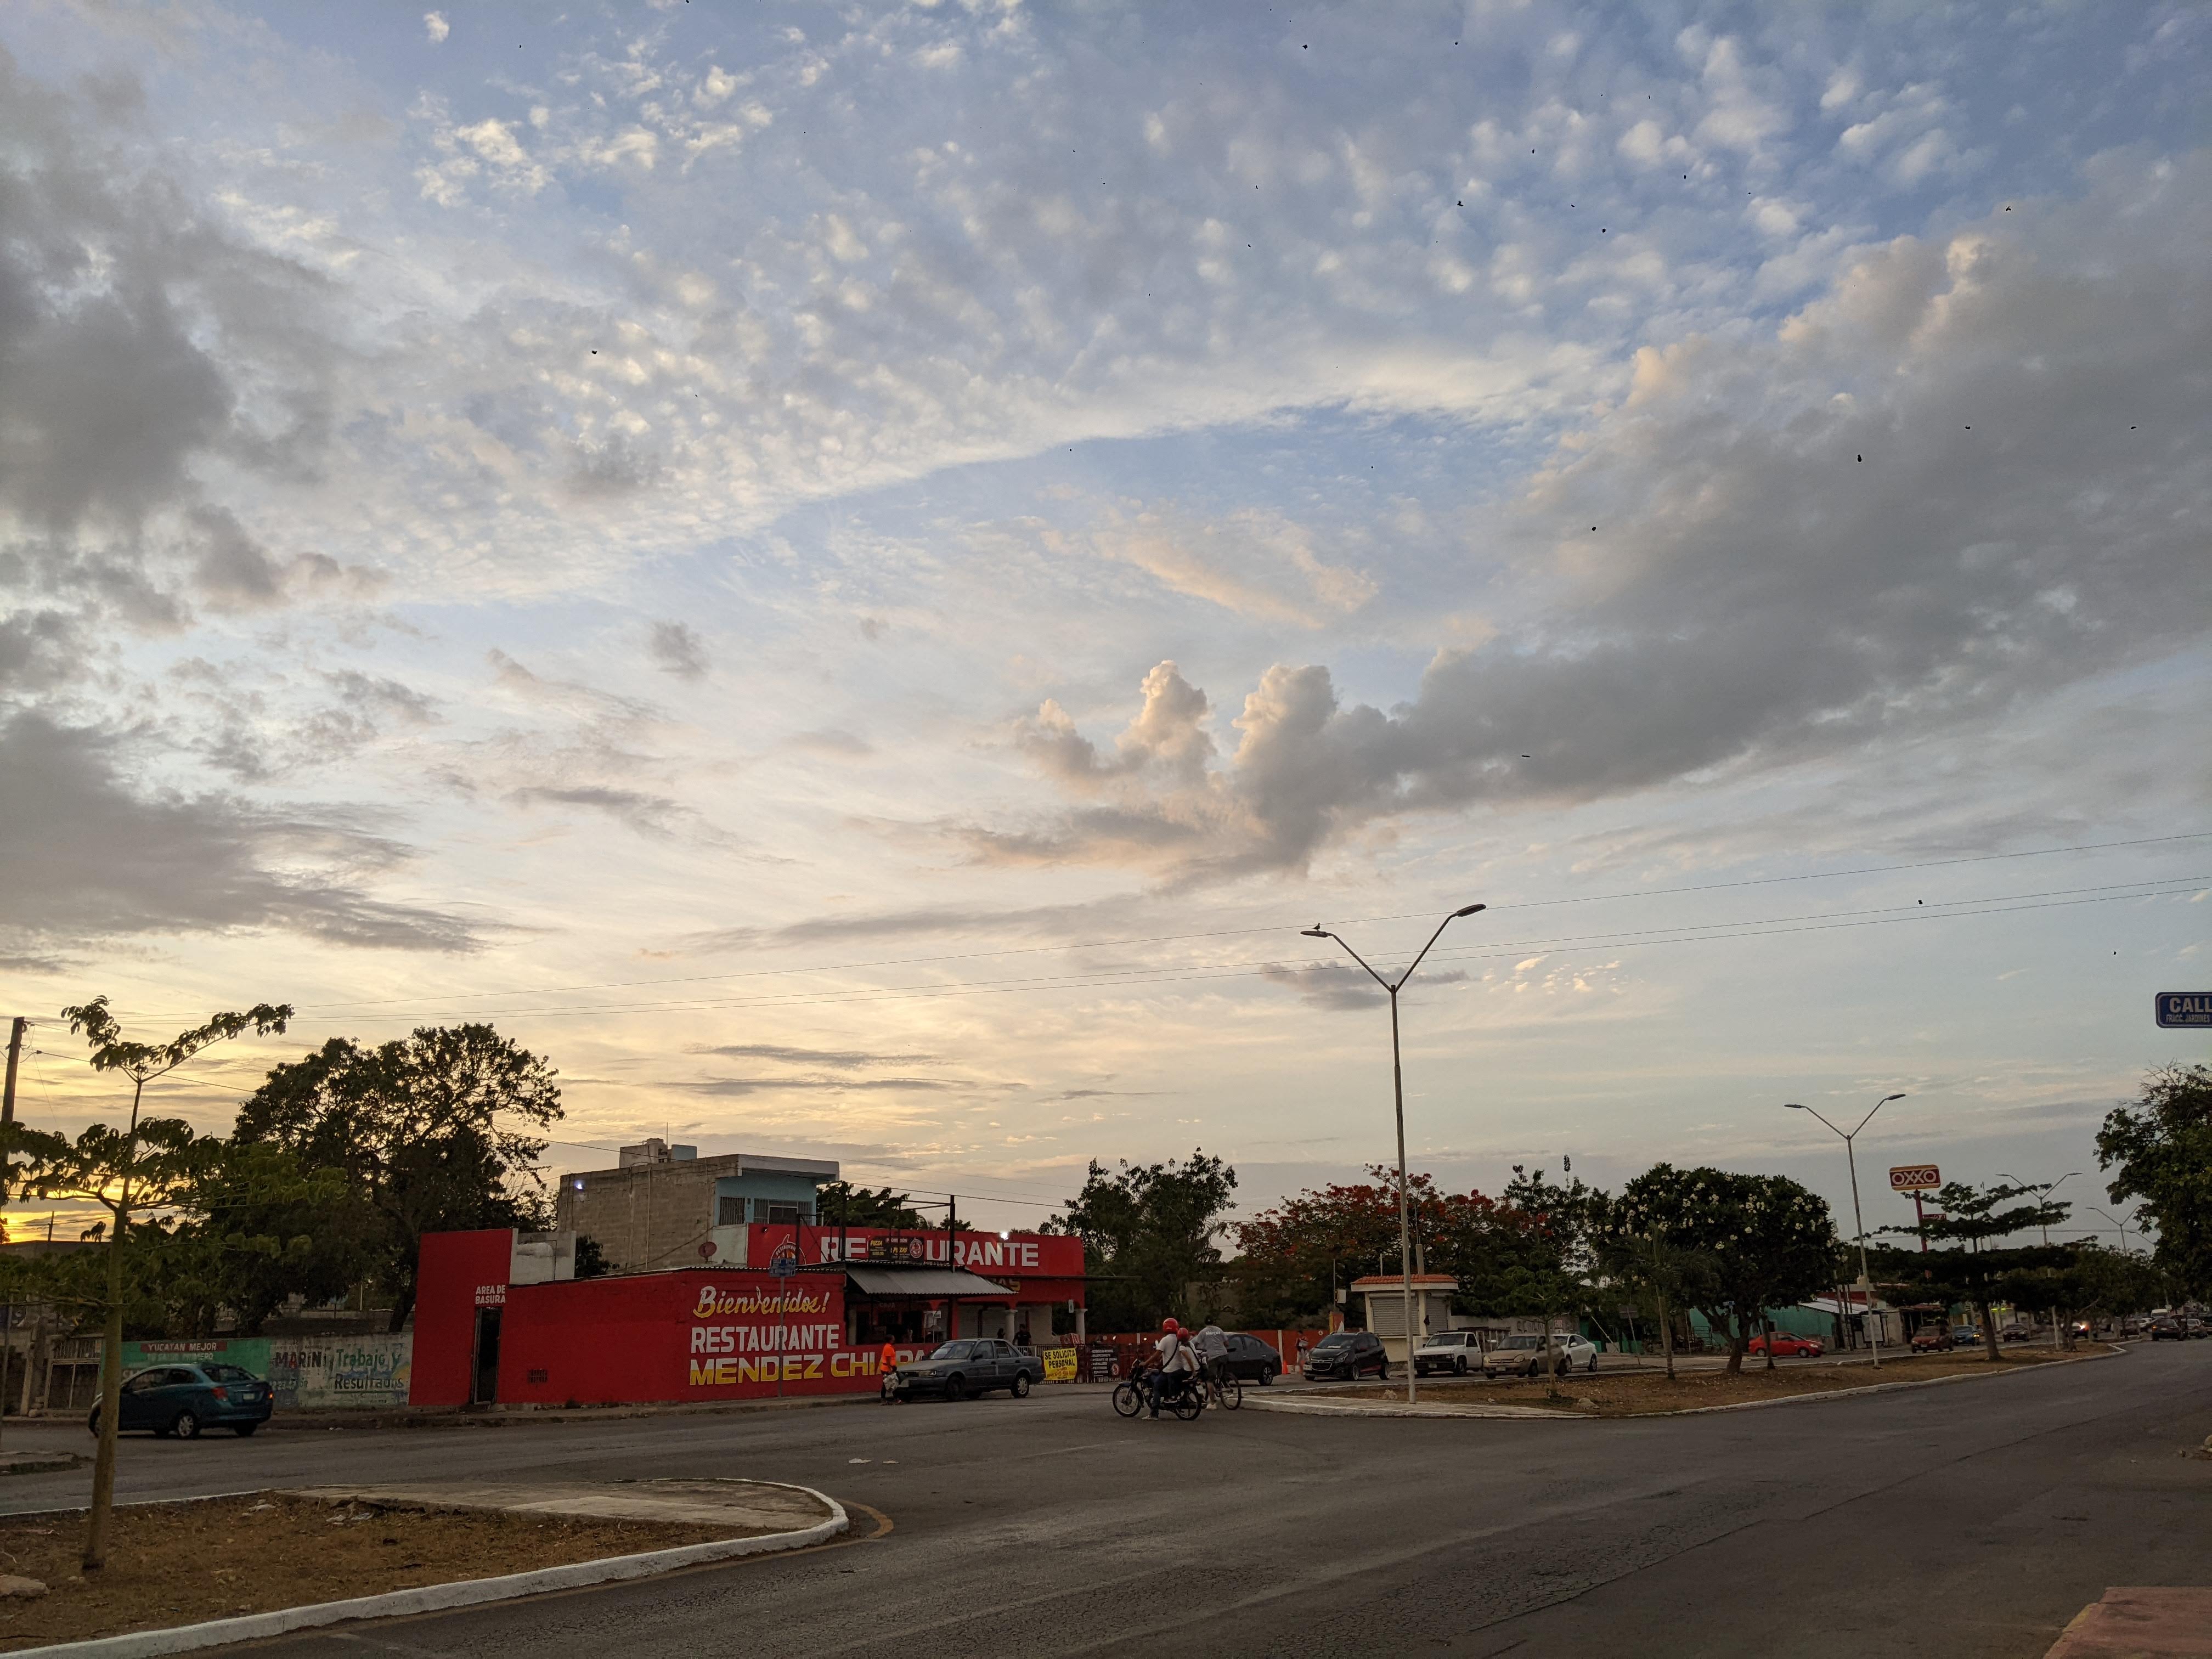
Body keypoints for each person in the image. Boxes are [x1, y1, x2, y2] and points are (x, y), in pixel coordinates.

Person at [1147, 1317, 1198, 1419]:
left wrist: (1146, 1363)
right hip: (1181, 1369)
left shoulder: (1165, 1340)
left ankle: (1154, 1414)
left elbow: (1157, 1354)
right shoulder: (1180, 1339)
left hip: (1169, 1371)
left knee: (1156, 1387)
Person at [1194, 1322, 1231, 1393]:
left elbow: (1196, 1343)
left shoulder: (1203, 1332)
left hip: (1214, 1356)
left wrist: (1194, 1350)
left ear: (1205, 1323)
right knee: (1221, 1370)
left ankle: (1213, 1403)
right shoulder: (1219, 1330)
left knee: (1209, 1379)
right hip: (1224, 1354)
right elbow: (1227, 1344)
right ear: (1213, 1322)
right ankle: (1224, 1383)